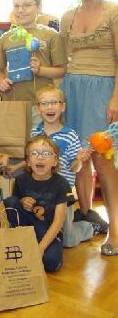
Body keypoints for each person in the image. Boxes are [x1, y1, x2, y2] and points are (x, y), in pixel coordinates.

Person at [60, 0, 118, 255]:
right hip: (72, 89)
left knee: (103, 161)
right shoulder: (68, 15)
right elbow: (63, 57)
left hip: (103, 89)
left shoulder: (114, 11)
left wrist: (116, 97)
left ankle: (116, 232)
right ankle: (87, 216)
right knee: (78, 157)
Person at [32, 85, 107, 246]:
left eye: (54, 102)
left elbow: (75, 169)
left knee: (69, 241)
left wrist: (78, 160)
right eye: (44, 103)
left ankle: (91, 226)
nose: (50, 107)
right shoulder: (35, 133)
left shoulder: (70, 135)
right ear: (38, 109)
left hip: (62, 195)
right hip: (40, 193)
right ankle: (73, 220)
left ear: (63, 107)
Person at [0, 0, 67, 126]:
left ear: (39, 7)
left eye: (27, 5)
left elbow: (62, 70)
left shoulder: (51, 35)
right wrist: (1, 81)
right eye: (16, 6)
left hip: (42, 105)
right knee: (15, 144)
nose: (20, 10)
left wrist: (41, 70)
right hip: (13, 102)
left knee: (41, 145)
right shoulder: (6, 38)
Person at [5, 135, 69, 272]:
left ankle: (34, 248)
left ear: (55, 161)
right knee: (10, 202)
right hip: (27, 229)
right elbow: (13, 205)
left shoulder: (61, 184)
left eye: (46, 153)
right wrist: (22, 201)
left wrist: (41, 248)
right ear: (28, 161)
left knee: (50, 262)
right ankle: (22, 244)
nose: (40, 157)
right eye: (34, 153)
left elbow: (58, 222)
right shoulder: (21, 180)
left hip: (48, 231)